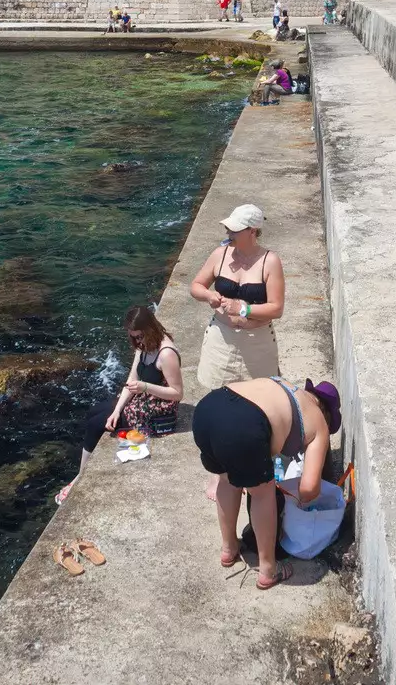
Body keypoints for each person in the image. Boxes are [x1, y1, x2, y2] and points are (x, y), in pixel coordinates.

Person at [191, 377, 340, 590]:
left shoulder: (287, 386)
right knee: (263, 492)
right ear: (327, 413)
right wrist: (298, 499)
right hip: (244, 423)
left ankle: (229, 548)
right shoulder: (319, 422)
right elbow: (308, 489)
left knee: (227, 481)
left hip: (208, 409)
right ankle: (269, 569)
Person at [60, 304, 183, 503]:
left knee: (95, 425)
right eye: (133, 337)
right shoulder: (142, 346)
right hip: (143, 396)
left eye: (139, 336)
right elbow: (131, 380)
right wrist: (117, 410)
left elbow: (177, 393)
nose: (136, 341)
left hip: (159, 409)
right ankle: (81, 471)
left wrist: (144, 387)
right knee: (95, 412)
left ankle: (79, 479)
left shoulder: (166, 354)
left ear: (150, 330)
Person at [190, 205, 285, 389]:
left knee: (259, 398)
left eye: (234, 230)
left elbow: (277, 308)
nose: (228, 233)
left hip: (256, 341)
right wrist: (208, 295)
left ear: (252, 231)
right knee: (218, 398)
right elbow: (196, 286)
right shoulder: (220, 254)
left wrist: (243, 309)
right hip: (221, 339)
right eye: (228, 229)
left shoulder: (270, 261)